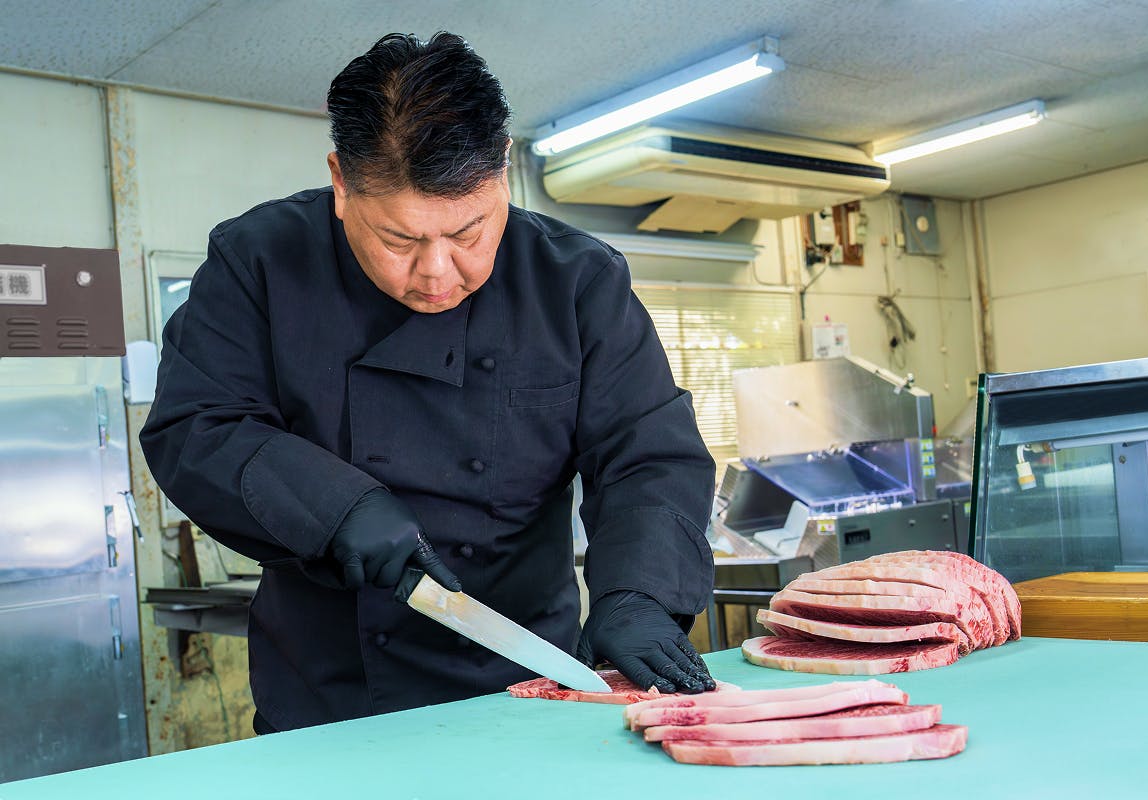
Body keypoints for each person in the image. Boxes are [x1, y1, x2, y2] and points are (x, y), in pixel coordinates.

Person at [141, 31, 717, 734]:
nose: (437, 273)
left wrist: (640, 592)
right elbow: (197, 425)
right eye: (399, 240)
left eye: (468, 233)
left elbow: (648, 453)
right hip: (328, 695)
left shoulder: (576, 282)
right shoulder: (258, 261)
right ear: (341, 181)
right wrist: (333, 508)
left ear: (504, 171)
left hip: (525, 680)